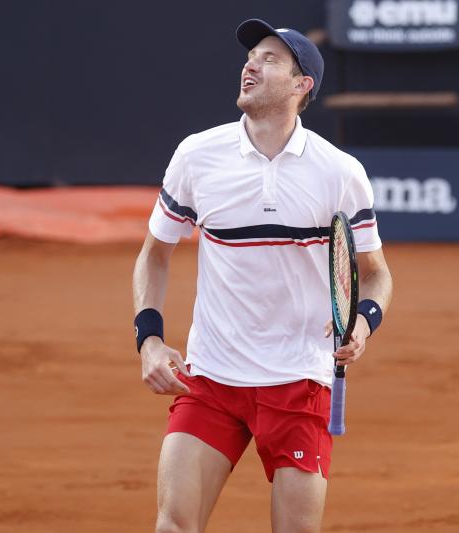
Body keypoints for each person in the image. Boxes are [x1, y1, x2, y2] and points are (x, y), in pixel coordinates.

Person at [132, 18, 393, 533]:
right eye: (252, 55)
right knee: (172, 526)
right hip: (211, 378)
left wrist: (363, 323)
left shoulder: (339, 172)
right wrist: (149, 340)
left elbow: (376, 274)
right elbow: (154, 255)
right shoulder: (197, 155)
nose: (251, 64)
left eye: (271, 58)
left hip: (299, 383)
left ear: (303, 86)